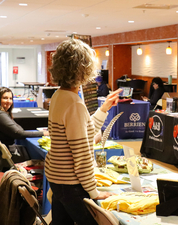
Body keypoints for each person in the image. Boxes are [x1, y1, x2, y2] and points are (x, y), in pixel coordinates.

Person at [45, 38, 122, 225]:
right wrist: (94, 191)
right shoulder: (73, 103)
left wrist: (104, 109)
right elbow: (81, 155)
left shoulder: (59, 95)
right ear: (83, 68)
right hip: (70, 183)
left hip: (57, 178)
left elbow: (86, 134)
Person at [0, 87, 49, 171]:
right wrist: (44, 133)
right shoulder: (1, 115)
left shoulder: (5, 114)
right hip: (6, 155)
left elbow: (19, 129)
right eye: (5, 98)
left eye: (10, 98)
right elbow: (19, 133)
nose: (8, 101)